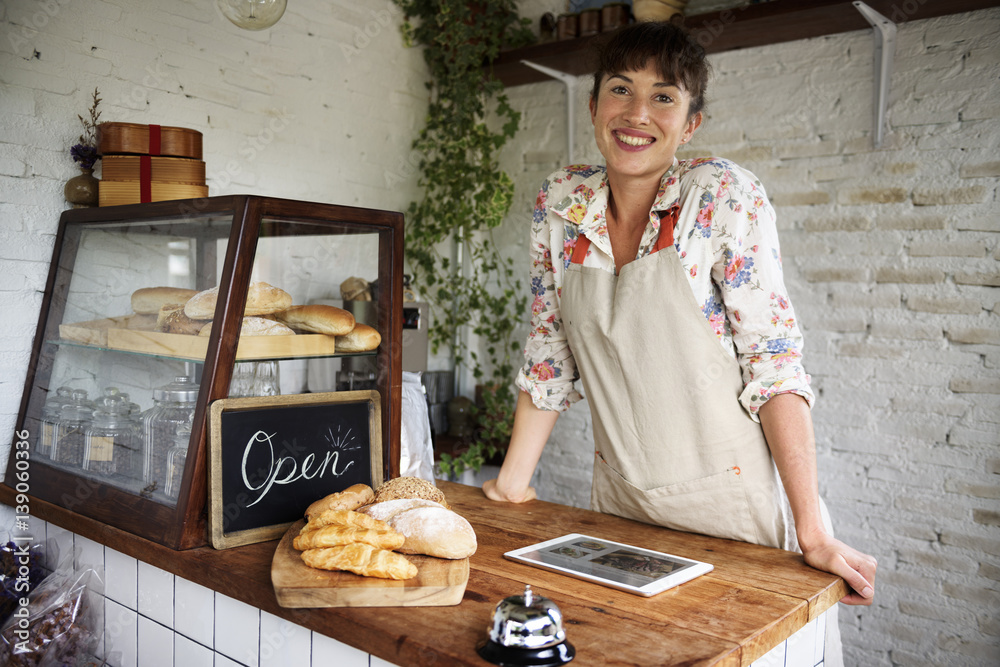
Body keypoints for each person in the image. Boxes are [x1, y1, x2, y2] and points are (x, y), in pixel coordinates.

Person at [483, 20, 876, 666]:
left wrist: (811, 527)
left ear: (691, 123)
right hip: (620, 516)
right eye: (620, 89)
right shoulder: (561, 205)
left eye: (664, 96)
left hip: (736, 522)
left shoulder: (720, 197)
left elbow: (774, 366)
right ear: (593, 105)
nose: (637, 113)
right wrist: (510, 490)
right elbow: (549, 355)